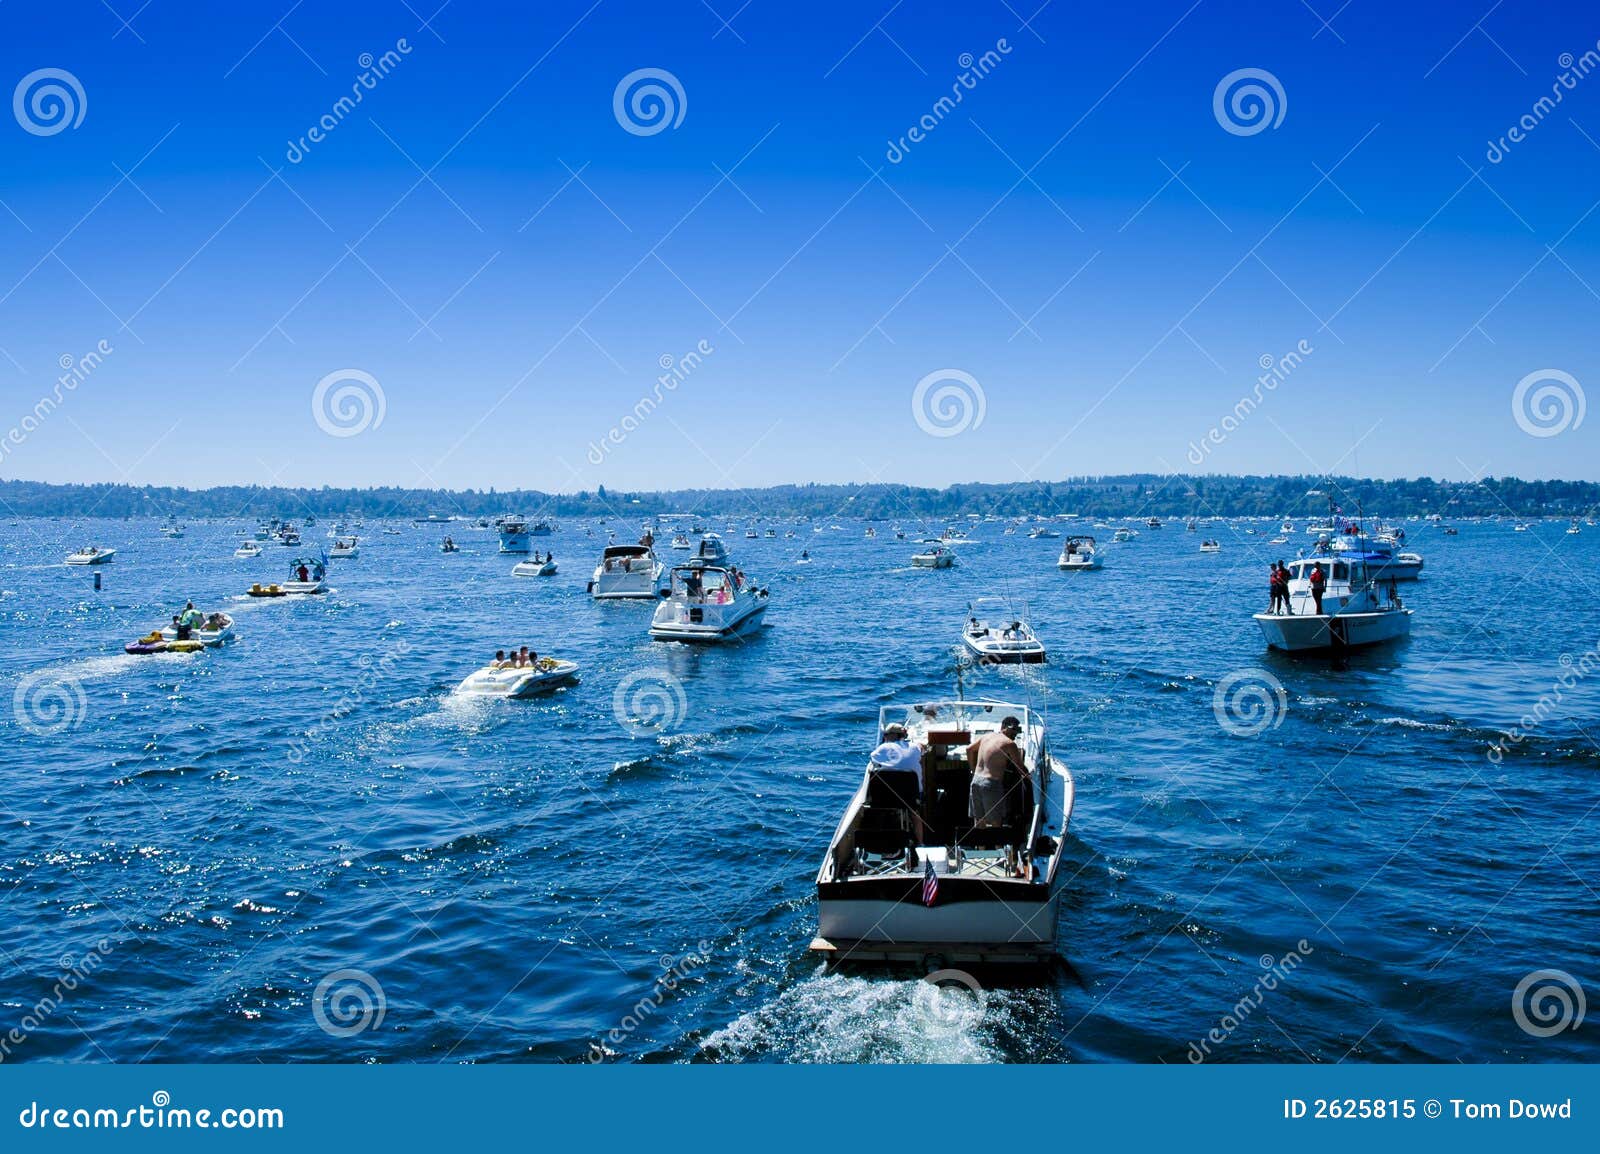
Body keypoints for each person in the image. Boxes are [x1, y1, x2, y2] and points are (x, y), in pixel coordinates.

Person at [967, 716, 1027, 832]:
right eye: (1013, 729)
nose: (1015, 733)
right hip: (991, 784)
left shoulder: (986, 736)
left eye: (1017, 730)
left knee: (979, 820)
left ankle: (980, 848)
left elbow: (969, 749)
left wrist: (973, 769)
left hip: (976, 781)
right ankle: (998, 848)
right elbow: (1020, 767)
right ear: (1004, 727)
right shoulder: (1010, 744)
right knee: (996, 821)